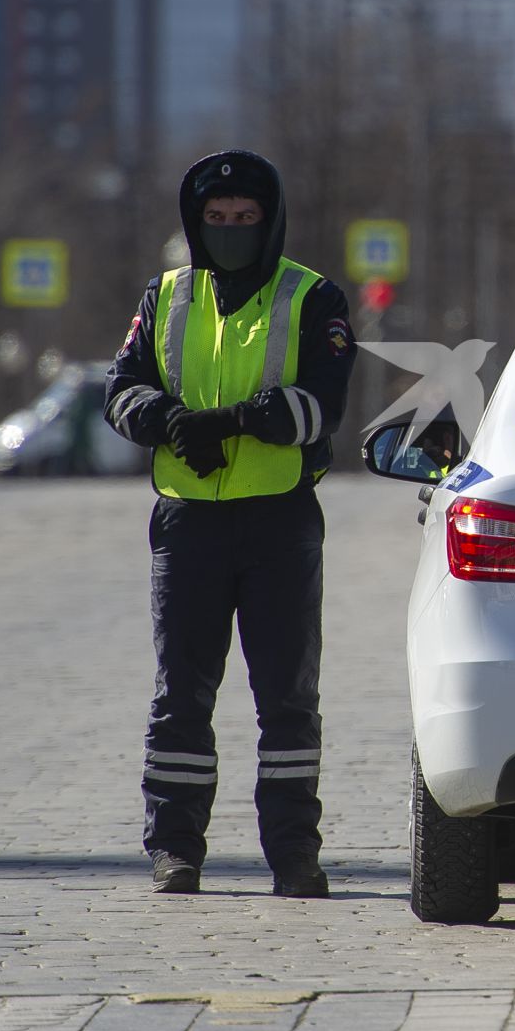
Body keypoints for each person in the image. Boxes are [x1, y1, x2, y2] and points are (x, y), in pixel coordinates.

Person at [104, 150, 357, 898]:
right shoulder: (166, 296)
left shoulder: (313, 296)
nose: (231, 230)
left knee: (286, 697)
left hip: (280, 523)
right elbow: (120, 390)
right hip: (189, 527)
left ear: (270, 221)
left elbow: (324, 402)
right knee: (181, 693)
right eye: (216, 220)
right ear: (196, 223)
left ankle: (293, 854)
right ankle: (175, 849)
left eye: (246, 219)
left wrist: (243, 419)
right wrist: (171, 419)